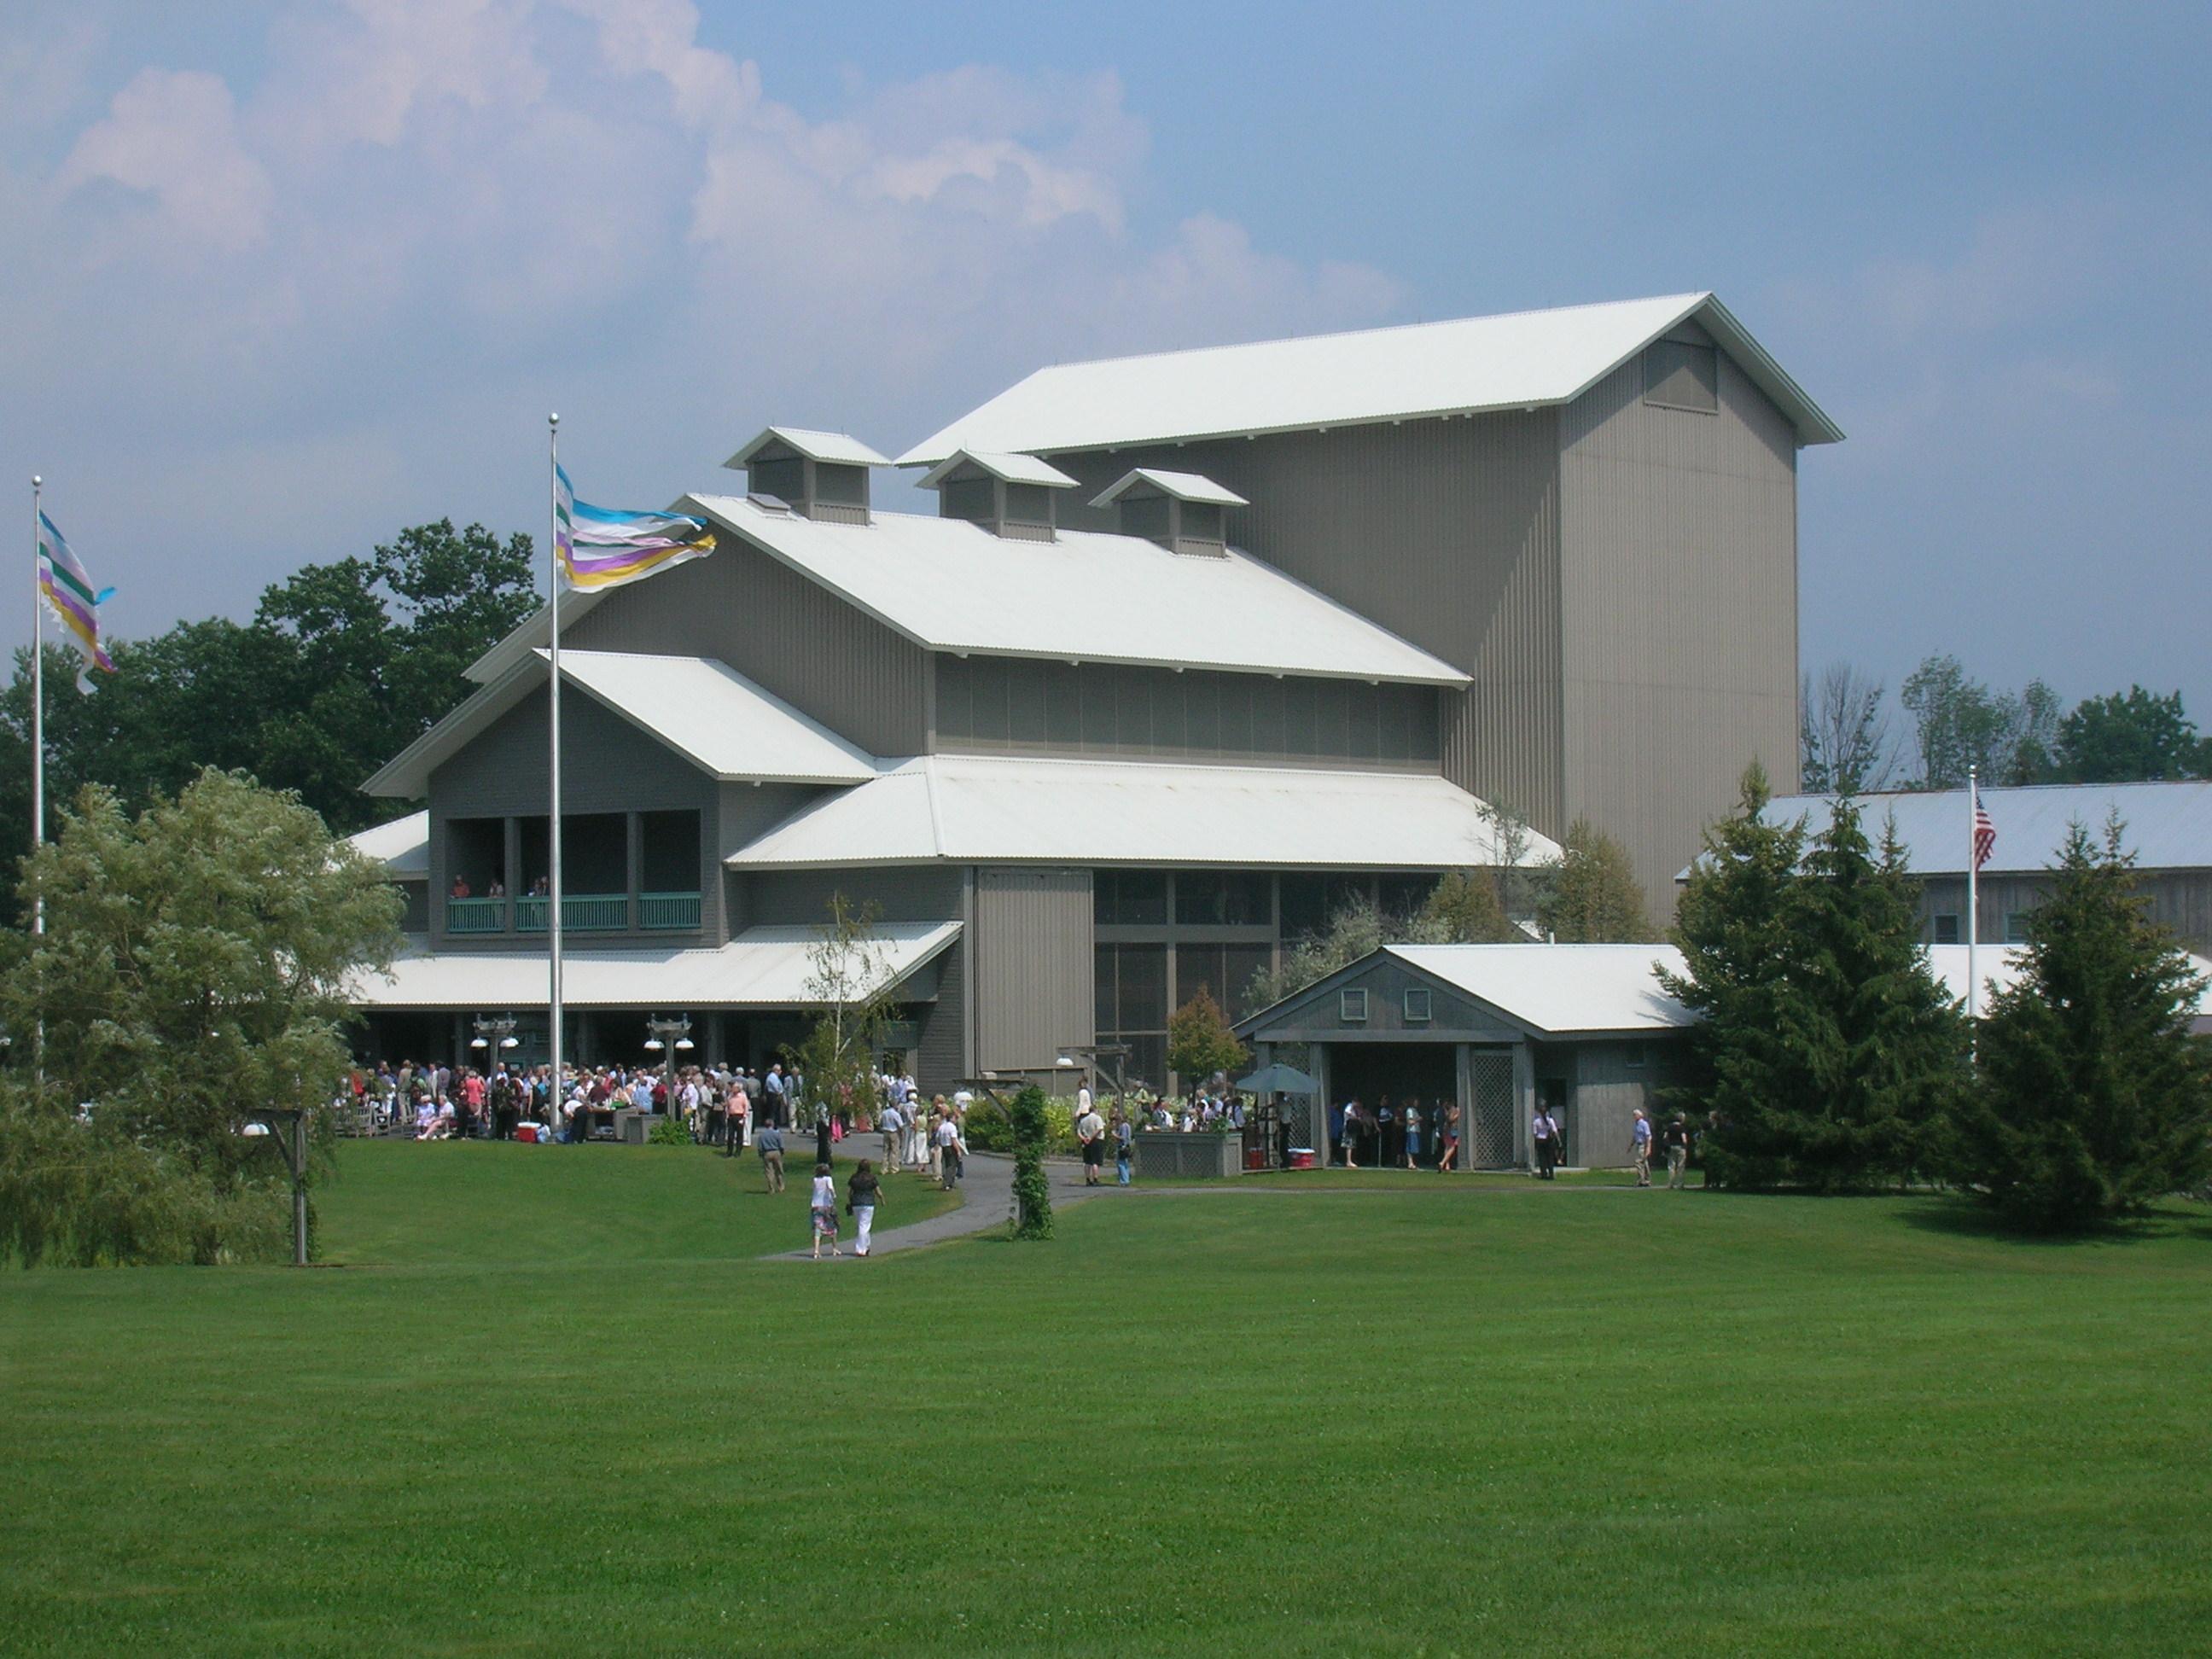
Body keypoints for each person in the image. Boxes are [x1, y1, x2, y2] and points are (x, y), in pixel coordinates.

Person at [847, 1158, 882, 1257]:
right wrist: (882, 1199)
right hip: (868, 1203)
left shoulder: (854, 1178)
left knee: (862, 1225)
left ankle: (866, 1246)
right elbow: (877, 1191)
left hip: (856, 1203)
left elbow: (849, 1192)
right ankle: (861, 1249)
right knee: (864, 1226)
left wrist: (851, 1200)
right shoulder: (871, 1178)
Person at [810, 1162, 841, 1260]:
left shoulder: (815, 1180)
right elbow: (830, 1188)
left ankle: (816, 1251)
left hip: (816, 1206)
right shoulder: (828, 1179)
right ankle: (835, 1248)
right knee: (832, 1227)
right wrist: (834, 1195)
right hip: (826, 1206)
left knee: (818, 1228)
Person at [1075, 1097, 1107, 1185]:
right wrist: (1091, 1137)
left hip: (1085, 1141)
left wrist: (1084, 1138)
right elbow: (1099, 1129)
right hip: (1096, 1140)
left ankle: (1088, 1179)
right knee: (1095, 1161)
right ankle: (1095, 1178)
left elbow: (1079, 1132)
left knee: (1087, 1161)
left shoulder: (1083, 1120)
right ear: (1095, 1110)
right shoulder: (1097, 1118)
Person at [1662, 1114, 1692, 1190]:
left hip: (1671, 1147)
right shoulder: (1682, 1128)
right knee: (1680, 1166)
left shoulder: (1669, 1127)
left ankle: (1670, 1184)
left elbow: (1665, 1137)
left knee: (1671, 1166)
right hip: (1680, 1147)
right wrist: (1685, 1147)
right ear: (1681, 1119)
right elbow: (1684, 1139)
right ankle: (1680, 1184)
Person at [1533, 1104, 1562, 1179]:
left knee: (1542, 1158)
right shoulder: (1550, 1120)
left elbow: (1535, 1133)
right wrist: (1558, 1140)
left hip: (1540, 1140)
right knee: (1550, 1158)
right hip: (1549, 1140)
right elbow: (1555, 1131)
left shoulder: (1536, 1122)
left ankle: (1544, 1174)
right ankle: (1551, 1174)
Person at [757, 1120, 785, 1194]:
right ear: (772, 1125)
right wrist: (782, 1152)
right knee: (779, 1170)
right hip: (776, 1152)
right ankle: (780, 1186)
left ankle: (771, 1188)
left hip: (767, 1153)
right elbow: (781, 1145)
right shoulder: (777, 1134)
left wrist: (761, 1154)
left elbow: (760, 1147)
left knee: (769, 1171)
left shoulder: (762, 1135)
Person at [1628, 1108, 1653, 1186]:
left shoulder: (1644, 1124)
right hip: (1638, 1145)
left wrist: (1648, 1147)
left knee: (1638, 1162)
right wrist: (1630, 1146)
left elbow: (1648, 1136)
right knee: (1644, 1162)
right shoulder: (1636, 1125)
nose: (1634, 1116)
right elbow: (1635, 1137)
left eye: (1635, 1115)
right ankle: (1646, 1180)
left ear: (1639, 1115)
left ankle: (1641, 1179)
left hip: (1643, 1145)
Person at [879, 1097, 904, 1173]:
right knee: (894, 1151)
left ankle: (884, 1168)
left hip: (886, 1131)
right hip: (894, 1132)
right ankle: (894, 1168)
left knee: (885, 1151)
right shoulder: (896, 1114)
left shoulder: (884, 1113)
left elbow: (881, 1122)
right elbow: (900, 1125)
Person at [1112, 1105, 1133, 1186]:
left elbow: (1123, 1138)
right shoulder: (1127, 1126)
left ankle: (1124, 1180)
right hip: (1126, 1146)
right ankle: (1126, 1179)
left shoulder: (1124, 1126)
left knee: (1121, 1164)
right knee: (1125, 1164)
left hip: (1122, 1147)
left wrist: (1115, 1135)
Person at [1436, 1103, 1461, 1173]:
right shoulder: (1453, 1109)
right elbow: (1451, 1119)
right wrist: (1457, 1115)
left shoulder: (1445, 1111)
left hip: (1446, 1130)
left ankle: (1447, 1165)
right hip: (1452, 1130)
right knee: (1452, 1147)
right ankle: (1442, 1162)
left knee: (1447, 1147)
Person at [1403, 1099, 1423, 1169]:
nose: (1417, 1103)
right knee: (1410, 1147)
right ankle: (1410, 1163)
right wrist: (1418, 1119)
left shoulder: (1415, 1110)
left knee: (1414, 1148)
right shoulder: (1410, 1110)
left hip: (1416, 1130)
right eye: (1415, 1102)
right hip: (1412, 1130)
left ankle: (1412, 1163)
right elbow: (1410, 1122)